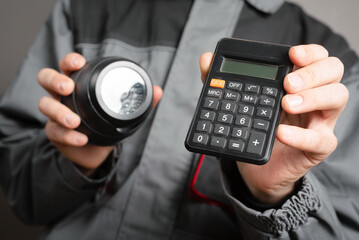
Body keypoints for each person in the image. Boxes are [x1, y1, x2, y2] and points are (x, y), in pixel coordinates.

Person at [1, 0, 359, 239]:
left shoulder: (332, 63)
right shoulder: (87, 8)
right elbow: (23, 197)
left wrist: (274, 194)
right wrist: (79, 157)